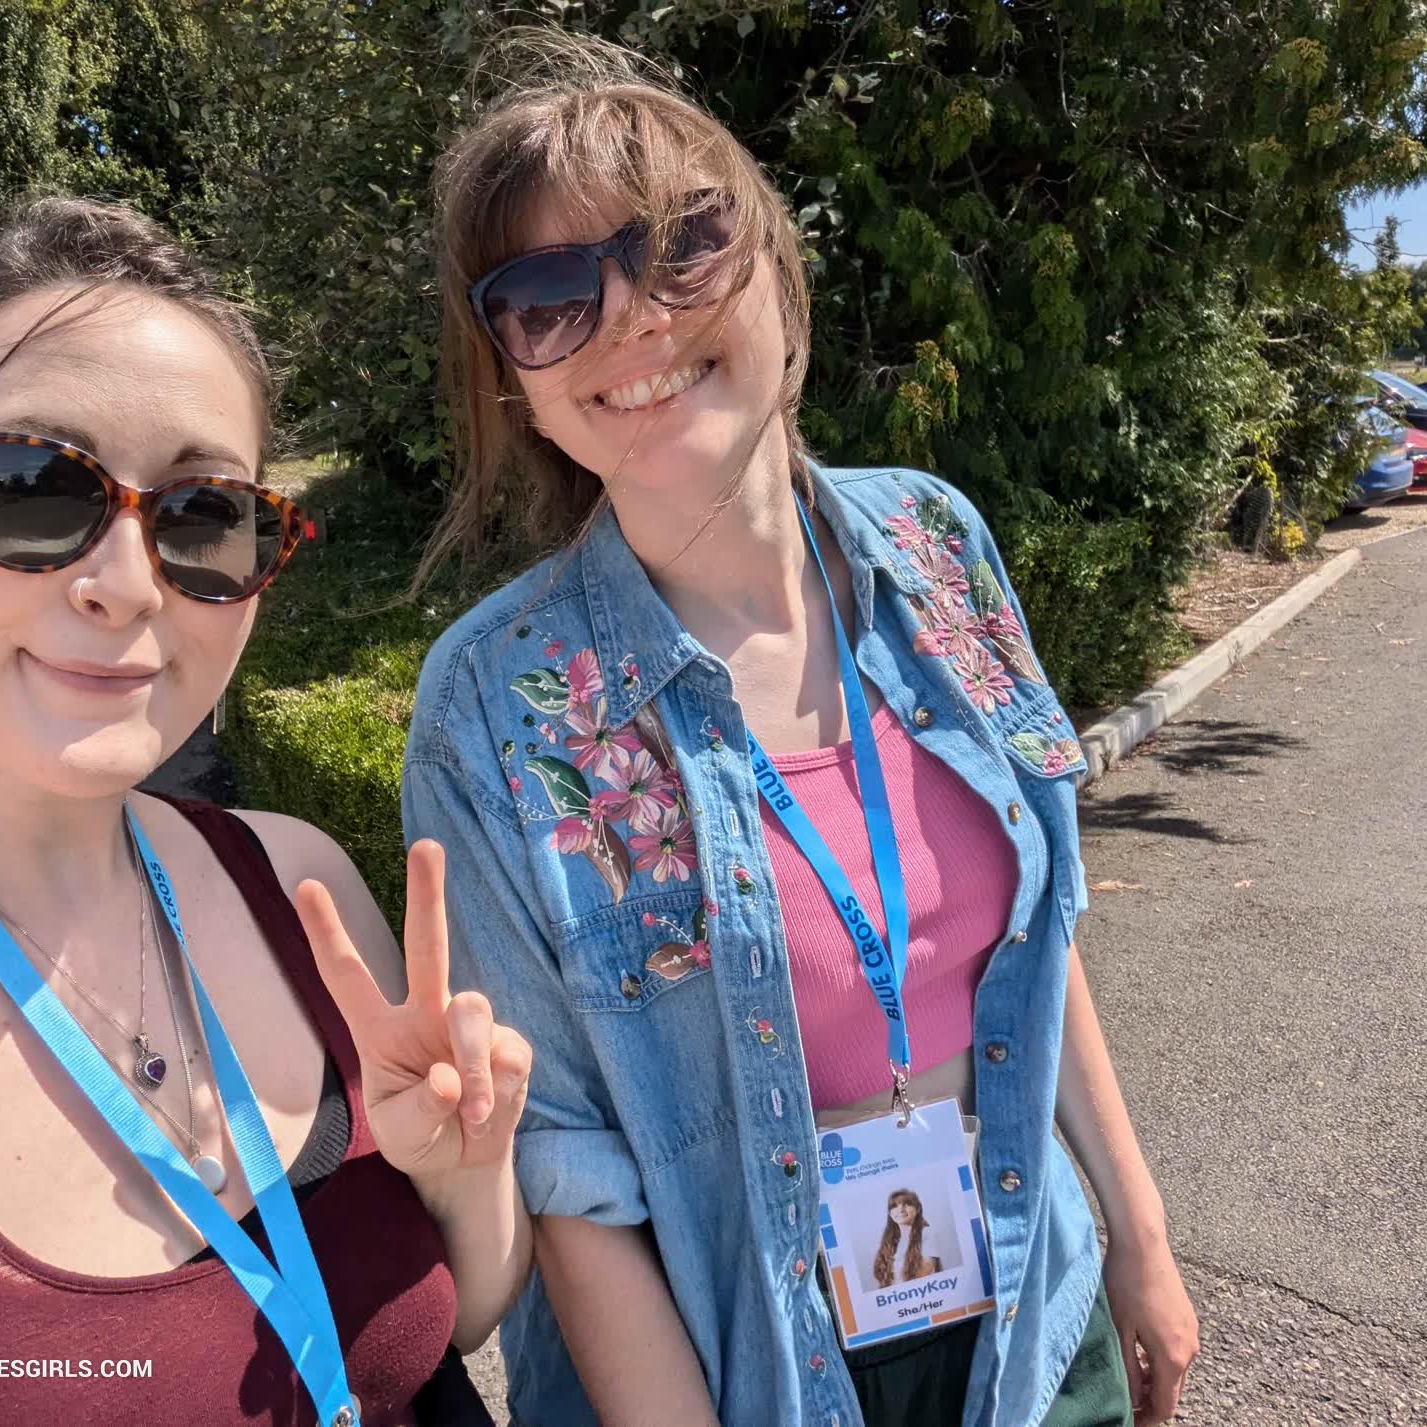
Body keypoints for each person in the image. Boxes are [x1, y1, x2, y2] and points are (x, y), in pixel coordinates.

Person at [400, 30, 1199, 1427]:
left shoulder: (936, 538)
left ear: (776, 261)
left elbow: (1037, 929)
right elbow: (569, 1168)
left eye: (681, 244)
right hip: (726, 1368)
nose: (630, 317)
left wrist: (1139, 1233)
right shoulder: (494, 701)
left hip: (1031, 1306)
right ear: (516, 373)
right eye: (547, 297)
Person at [0, 197, 531, 1426]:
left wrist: (465, 1175)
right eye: (28, 488)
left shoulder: (298, 884)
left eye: (204, 514)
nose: (126, 585)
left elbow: (442, 1333)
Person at [871, 1190, 941, 1289]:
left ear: (918, 1209)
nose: (900, 1209)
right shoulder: (891, 1242)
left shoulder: (927, 1232)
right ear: (890, 1213)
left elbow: (925, 1272)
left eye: (907, 1204)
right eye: (895, 1206)